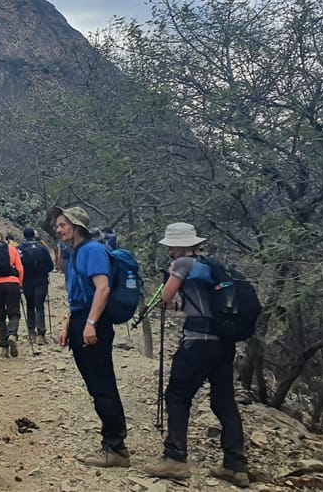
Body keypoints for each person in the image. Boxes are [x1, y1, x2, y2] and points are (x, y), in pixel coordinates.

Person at [143, 223, 249, 487]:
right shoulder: (212, 266)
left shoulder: (183, 265)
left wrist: (169, 277)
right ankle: (235, 465)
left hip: (197, 342)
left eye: (171, 247)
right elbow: (195, 304)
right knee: (223, 401)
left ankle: (175, 458)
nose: (170, 251)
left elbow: (166, 298)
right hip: (223, 343)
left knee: (178, 396)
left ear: (180, 245)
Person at [51, 205, 130, 467]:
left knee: (102, 384)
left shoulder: (93, 250)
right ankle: (111, 443)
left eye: (63, 224)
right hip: (81, 320)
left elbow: (102, 289)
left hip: (93, 323)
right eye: (58, 225)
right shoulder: (75, 254)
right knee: (96, 386)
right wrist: (67, 325)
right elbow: (76, 296)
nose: (58, 229)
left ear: (77, 227)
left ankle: (115, 448)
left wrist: (90, 323)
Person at [18, 227, 54, 344]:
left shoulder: (21, 249)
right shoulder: (42, 247)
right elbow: (50, 266)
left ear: (24, 235)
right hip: (41, 280)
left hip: (26, 280)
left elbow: (17, 266)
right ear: (34, 235)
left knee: (29, 305)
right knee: (39, 306)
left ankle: (31, 333)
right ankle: (41, 334)